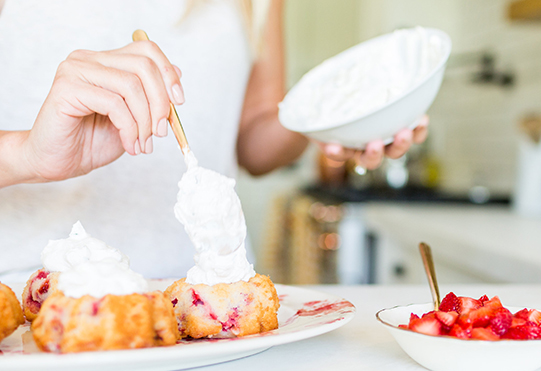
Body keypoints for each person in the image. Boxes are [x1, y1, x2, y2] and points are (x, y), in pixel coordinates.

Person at [0, 0, 428, 280]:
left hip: (205, 298)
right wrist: (26, 155)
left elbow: (255, 142)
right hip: (29, 297)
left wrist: (333, 116)